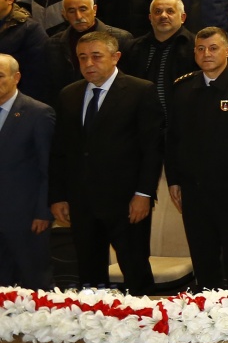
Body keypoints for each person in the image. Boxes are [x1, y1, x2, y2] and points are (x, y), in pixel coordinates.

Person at [49, 30, 164, 291]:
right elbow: (60, 150)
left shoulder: (139, 90)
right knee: (89, 275)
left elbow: (152, 149)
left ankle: (142, 315)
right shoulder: (69, 94)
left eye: (96, 56)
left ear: (115, 57)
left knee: (135, 270)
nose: (89, 63)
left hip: (127, 201)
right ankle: (94, 315)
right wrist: (58, 196)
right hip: (82, 201)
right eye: (82, 57)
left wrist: (144, 194)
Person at [165, 26, 228, 290]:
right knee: (203, 261)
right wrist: (174, 180)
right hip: (194, 190)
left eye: (213, 48)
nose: (207, 54)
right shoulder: (182, 87)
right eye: (201, 49)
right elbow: (172, 138)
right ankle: (205, 312)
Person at [0, 53, 54, 289]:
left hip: (27, 218)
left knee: (36, 284)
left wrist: (44, 212)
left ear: (16, 77)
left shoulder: (38, 113)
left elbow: (48, 167)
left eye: (0, 76)